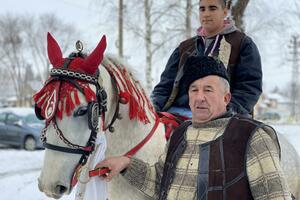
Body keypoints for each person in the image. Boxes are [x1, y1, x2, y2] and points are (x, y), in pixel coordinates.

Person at [95, 56, 293, 199]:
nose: (199, 97)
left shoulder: (252, 136)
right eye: (194, 90)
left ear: (226, 98)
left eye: (208, 90)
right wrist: (126, 164)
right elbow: (160, 185)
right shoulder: (180, 134)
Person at [151, 0, 262, 118]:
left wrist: (227, 111)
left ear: (225, 12)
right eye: (202, 9)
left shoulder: (242, 44)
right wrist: (152, 107)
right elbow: (164, 86)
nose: (206, 14)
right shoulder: (184, 47)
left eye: (212, 8)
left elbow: (249, 88)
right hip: (177, 113)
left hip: (219, 115)